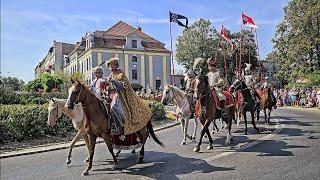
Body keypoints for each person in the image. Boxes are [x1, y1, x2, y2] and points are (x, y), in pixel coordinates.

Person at [106, 57, 152, 135]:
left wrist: (114, 82)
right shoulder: (111, 75)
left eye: (111, 64)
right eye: (109, 65)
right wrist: (107, 86)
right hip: (110, 95)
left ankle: (121, 125)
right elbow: (108, 85)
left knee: (114, 107)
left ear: (115, 65)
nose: (110, 66)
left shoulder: (120, 73)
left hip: (120, 96)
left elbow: (124, 85)